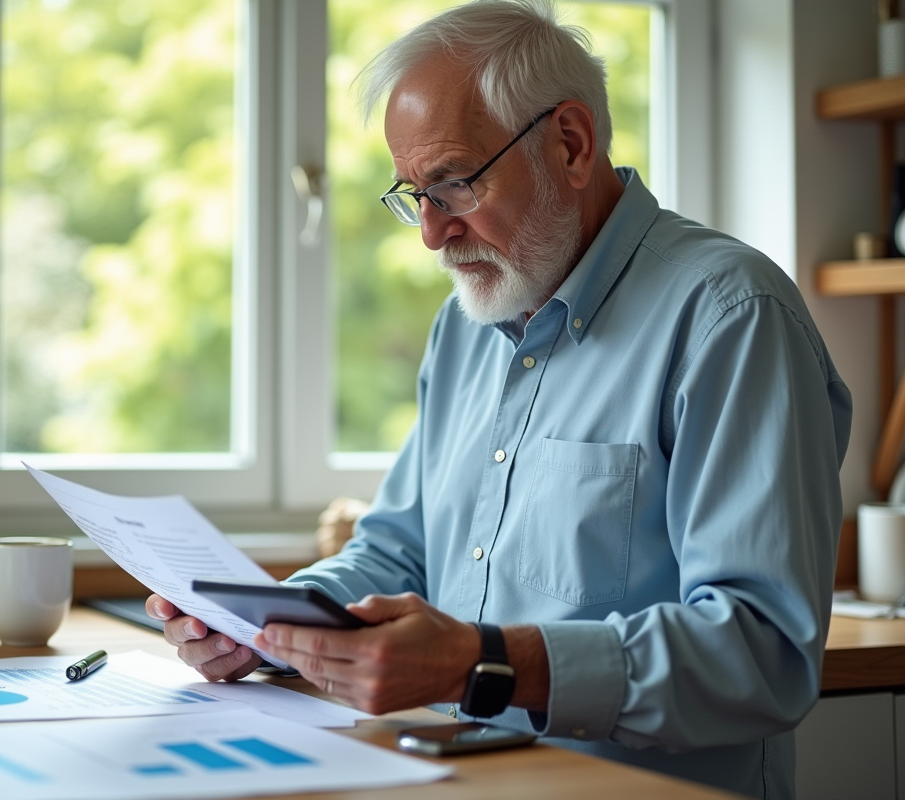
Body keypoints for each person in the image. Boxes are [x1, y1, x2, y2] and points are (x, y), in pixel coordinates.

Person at [146, 1, 851, 797]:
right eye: (415, 194)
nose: (431, 233)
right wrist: (271, 626)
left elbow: (763, 654)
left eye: (453, 184)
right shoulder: (467, 324)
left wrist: (484, 662)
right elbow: (399, 553)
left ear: (571, 144)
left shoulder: (731, 316)